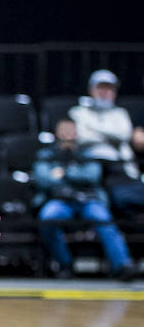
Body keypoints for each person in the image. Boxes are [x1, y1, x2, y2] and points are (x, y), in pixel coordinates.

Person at [33, 117, 133, 279]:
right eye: (64, 131)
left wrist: (64, 172)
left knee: (103, 219)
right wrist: (76, 173)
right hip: (59, 200)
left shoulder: (87, 152)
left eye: (71, 131)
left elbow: (92, 176)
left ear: (77, 133)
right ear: (57, 133)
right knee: (48, 218)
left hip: (88, 200)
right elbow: (43, 179)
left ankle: (122, 265)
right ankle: (65, 265)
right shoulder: (47, 153)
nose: (68, 134)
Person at [69, 69, 144, 218]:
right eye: (101, 87)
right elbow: (82, 137)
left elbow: (123, 134)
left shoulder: (121, 113)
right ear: (91, 90)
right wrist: (110, 134)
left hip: (120, 169)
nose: (105, 92)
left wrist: (92, 127)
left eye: (110, 88)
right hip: (89, 168)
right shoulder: (78, 112)